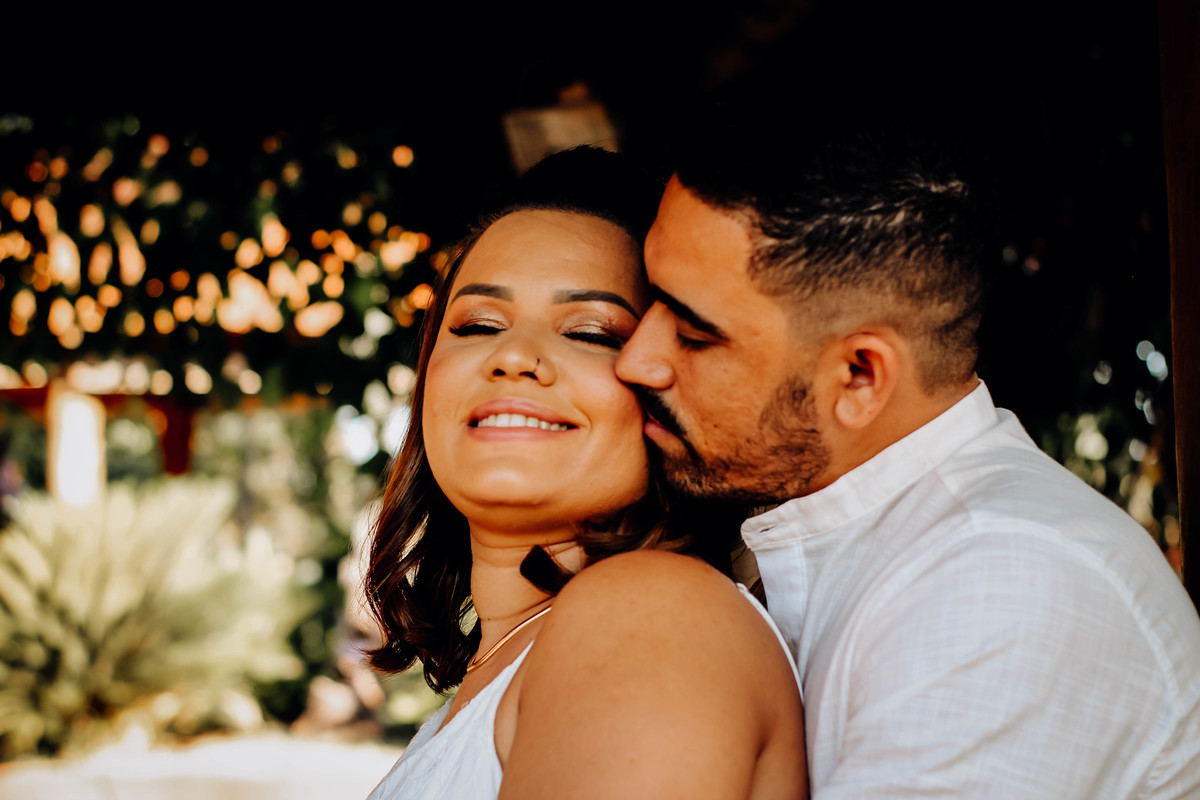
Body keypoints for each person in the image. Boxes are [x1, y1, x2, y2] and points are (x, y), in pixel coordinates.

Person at [614, 101, 1200, 798]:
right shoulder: (810, 529)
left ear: (860, 377)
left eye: (693, 333)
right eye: (650, 300)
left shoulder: (1005, 583)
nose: (636, 359)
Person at [362, 146, 808, 800]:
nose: (514, 355)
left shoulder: (649, 613)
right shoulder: (513, 665)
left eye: (592, 333)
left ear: (663, 383)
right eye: (478, 324)